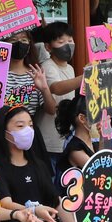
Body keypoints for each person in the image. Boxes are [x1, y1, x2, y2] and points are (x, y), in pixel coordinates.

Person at [35, 22, 83, 168]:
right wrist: (85, 77)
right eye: (61, 42)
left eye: (70, 41)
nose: (67, 45)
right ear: (48, 47)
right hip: (49, 138)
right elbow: (56, 87)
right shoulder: (48, 66)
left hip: (64, 135)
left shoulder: (69, 68)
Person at [2, 29, 56, 123]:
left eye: (24, 40)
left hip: (27, 130)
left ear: (29, 45)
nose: (19, 43)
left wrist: (44, 89)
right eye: (13, 40)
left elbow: (52, 110)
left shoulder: (35, 75)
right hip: (0, 129)